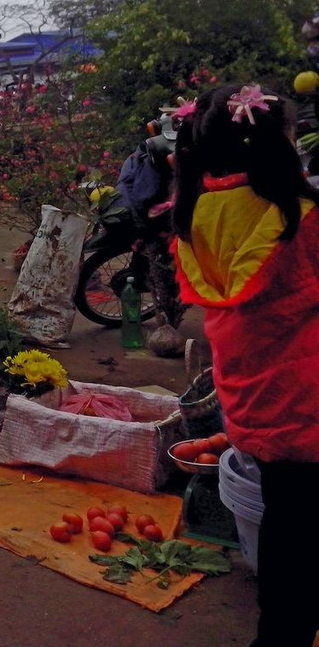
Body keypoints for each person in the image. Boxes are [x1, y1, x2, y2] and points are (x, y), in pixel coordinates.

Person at [171, 84, 319, 647]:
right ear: (275, 142)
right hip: (306, 396)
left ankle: (278, 631)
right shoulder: (297, 218)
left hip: (254, 396)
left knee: (289, 519)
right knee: (302, 534)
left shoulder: (199, 212)